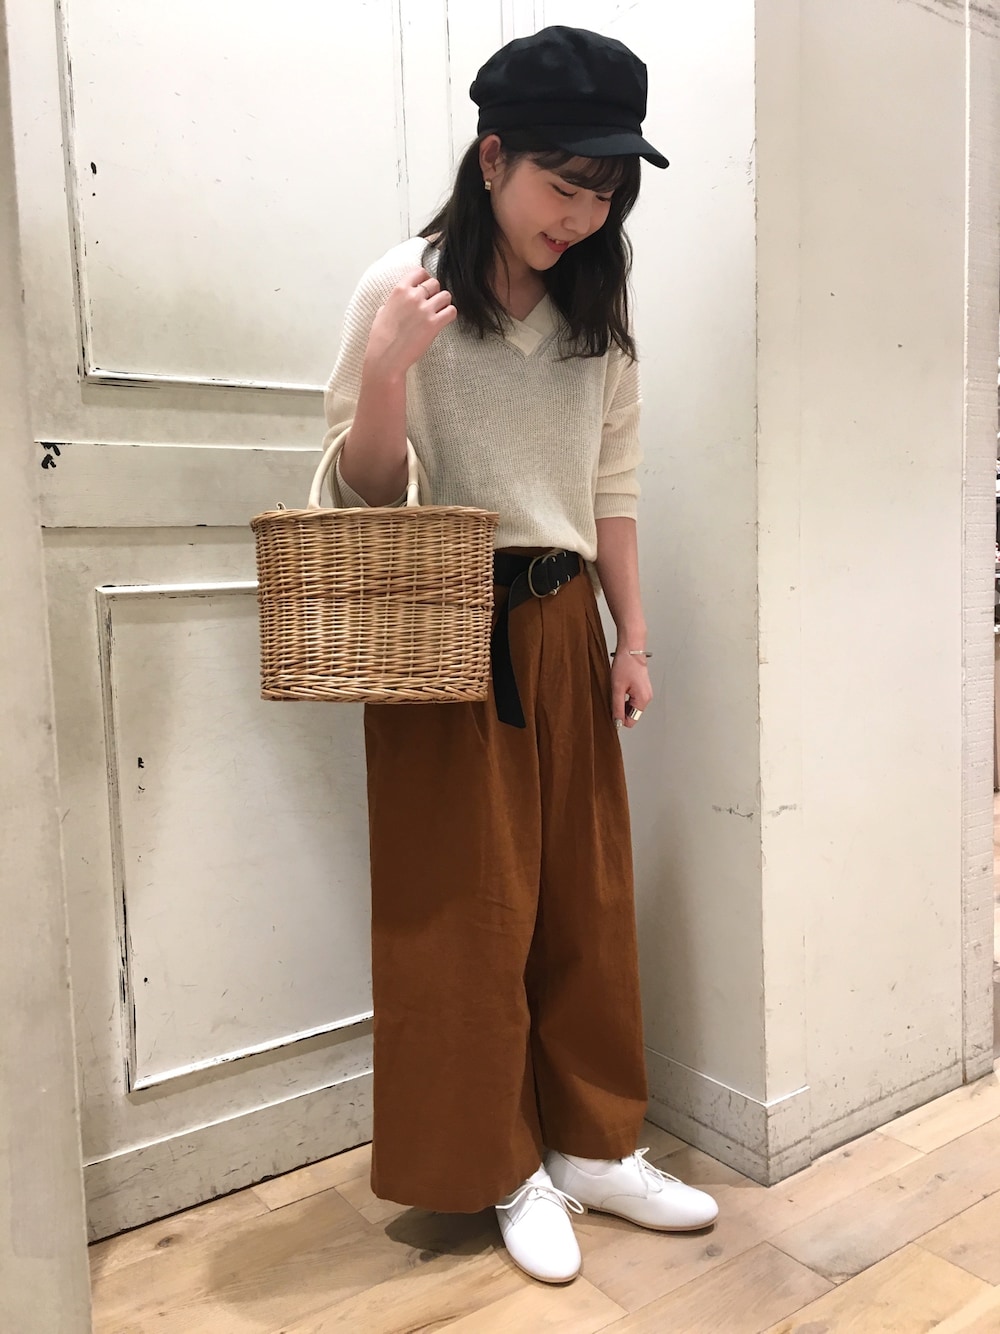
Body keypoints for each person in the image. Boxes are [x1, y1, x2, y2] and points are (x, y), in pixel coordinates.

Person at [322, 25, 719, 1285]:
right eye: (564, 181)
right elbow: (362, 494)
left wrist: (631, 636)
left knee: (584, 894)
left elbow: (611, 486)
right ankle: (500, 1163)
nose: (583, 215)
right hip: (440, 623)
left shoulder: (598, 308)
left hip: (560, 625)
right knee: (463, 910)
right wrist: (387, 371)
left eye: (607, 191)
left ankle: (595, 1142)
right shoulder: (402, 285)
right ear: (491, 156)